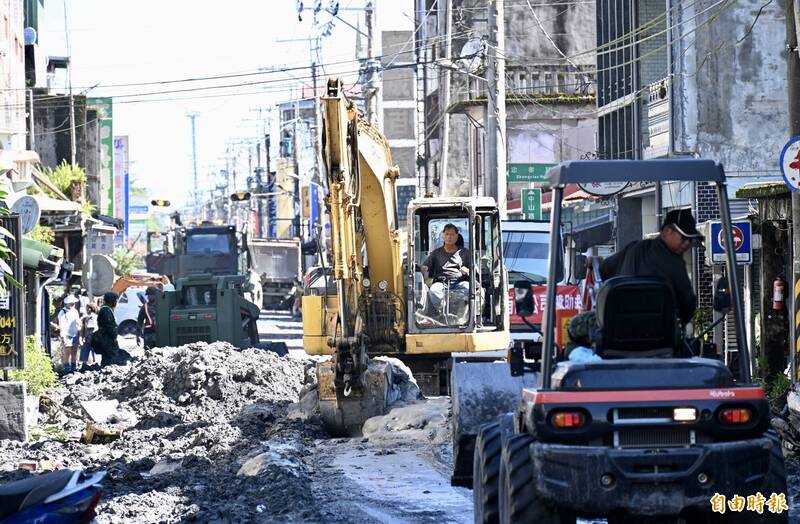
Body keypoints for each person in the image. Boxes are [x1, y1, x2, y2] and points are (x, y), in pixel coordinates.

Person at [600, 208, 702, 325]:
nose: (687, 243)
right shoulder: (675, 263)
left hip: (620, 332)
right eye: (684, 238)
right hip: (660, 335)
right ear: (667, 231)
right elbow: (687, 305)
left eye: (690, 239)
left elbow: (604, 269)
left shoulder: (633, 248)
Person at [421, 223, 471, 316]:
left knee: (468, 288)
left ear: (457, 237)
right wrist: (424, 268)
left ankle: (461, 316)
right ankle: (442, 313)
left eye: (452, 234)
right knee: (434, 290)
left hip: (459, 282)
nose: (449, 237)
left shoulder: (465, 252)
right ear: (443, 236)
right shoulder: (436, 253)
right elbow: (426, 266)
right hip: (441, 283)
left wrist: (467, 270)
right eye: (447, 234)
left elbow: (473, 268)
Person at [92, 292, 127, 367]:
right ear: (112, 301)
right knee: (109, 357)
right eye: (116, 300)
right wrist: (114, 335)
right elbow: (109, 326)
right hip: (106, 338)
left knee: (108, 356)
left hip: (108, 337)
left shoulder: (107, 309)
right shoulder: (106, 310)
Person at [57, 295, 81, 373]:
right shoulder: (62, 312)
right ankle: (67, 369)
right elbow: (62, 325)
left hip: (75, 334)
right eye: (71, 303)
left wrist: (79, 332)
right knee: (67, 353)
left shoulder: (75, 311)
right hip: (67, 335)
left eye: (73, 303)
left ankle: (74, 368)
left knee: (74, 352)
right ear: (66, 303)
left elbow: (77, 322)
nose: (72, 304)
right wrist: (63, 336)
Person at [79, 303, 98, 369]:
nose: (86, 309)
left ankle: (92, 365)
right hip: (91, 338)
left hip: (92, 338)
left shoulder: (92, 317)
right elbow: (84, 329)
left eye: (87, 308)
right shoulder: (88, 317)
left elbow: (91, 328)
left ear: (90, 309)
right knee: (90, 353)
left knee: (91, 352)